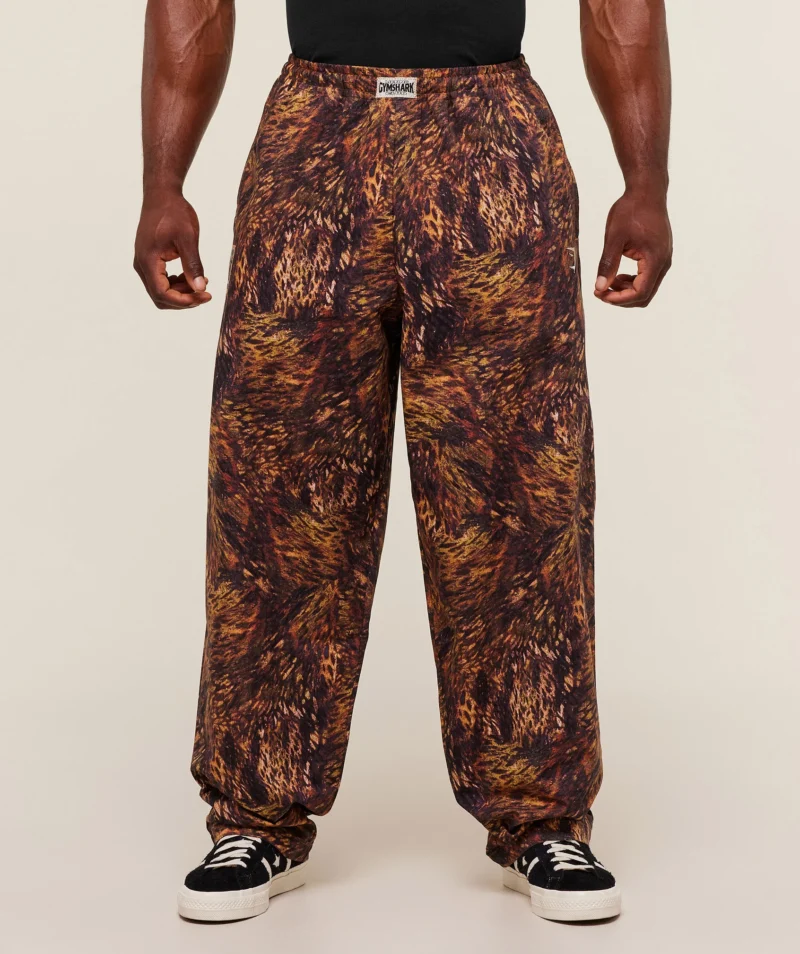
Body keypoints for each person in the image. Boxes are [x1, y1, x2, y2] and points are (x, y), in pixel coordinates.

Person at [134, 0, 672, 924]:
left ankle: (542, 819)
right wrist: (162, 182)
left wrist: (646, 182)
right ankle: (256, 814)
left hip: (491, 137)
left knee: (518, 493)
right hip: (313, 143)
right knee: (280, 491)